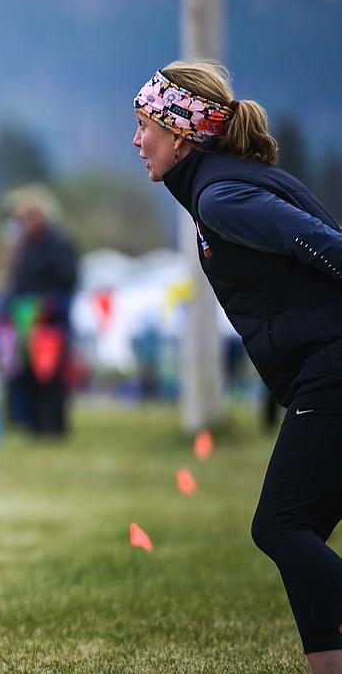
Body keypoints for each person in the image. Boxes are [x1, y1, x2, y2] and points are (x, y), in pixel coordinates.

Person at [132, 59, 342, 673]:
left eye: (145, 124)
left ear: (181, 134)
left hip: (332, 371)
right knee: (294, 530)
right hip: (322, 370)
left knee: (280, 527)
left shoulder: (223, 198)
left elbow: (327, 247)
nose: (137, 139)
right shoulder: (226, 185)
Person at [0, 185, 78, 437]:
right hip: (25, 322)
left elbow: (69, 280)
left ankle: (52, 428)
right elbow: (15, 283)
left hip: (52, 323)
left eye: (26, 218)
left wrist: (45, 303)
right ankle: (30, 425)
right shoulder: (23, 249)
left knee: (51, 379)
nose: (21, 224)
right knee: (26, 375)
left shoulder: (60, 246)